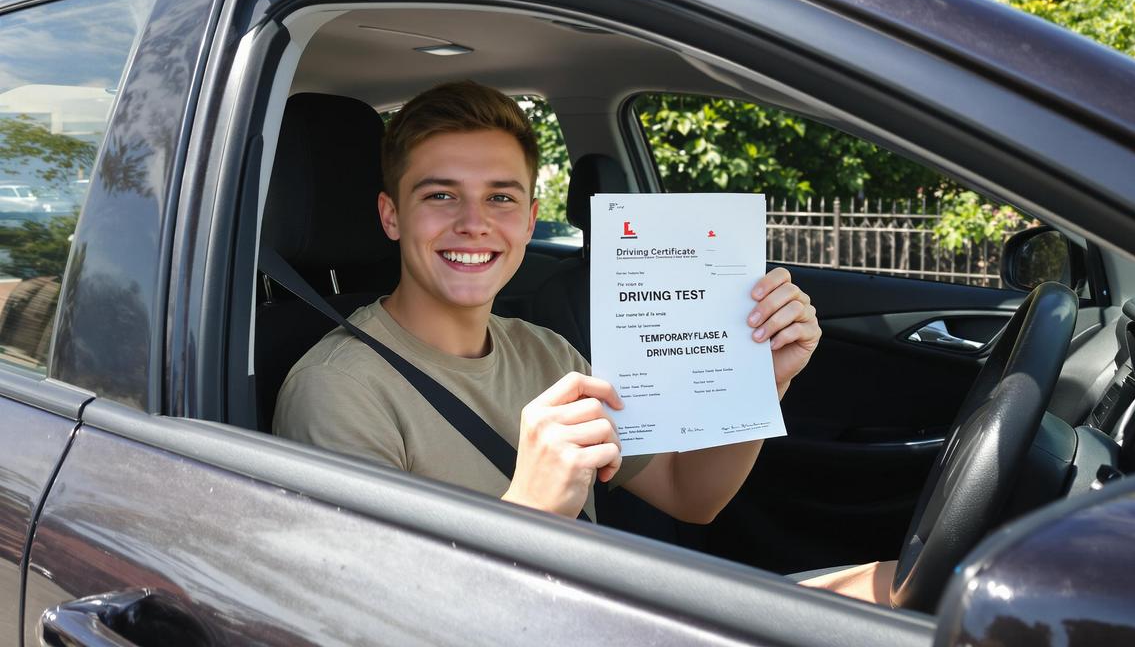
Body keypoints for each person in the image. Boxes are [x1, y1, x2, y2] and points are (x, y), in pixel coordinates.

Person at [274, 79, 836, 560]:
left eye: (500, 199)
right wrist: (530, 509)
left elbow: (690, 495)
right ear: (391, 215)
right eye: (441, 195)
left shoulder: (551, 355)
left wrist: (759, 382)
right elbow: (371, 616)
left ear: (529, 220)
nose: (474, 223)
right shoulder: (335, 390)